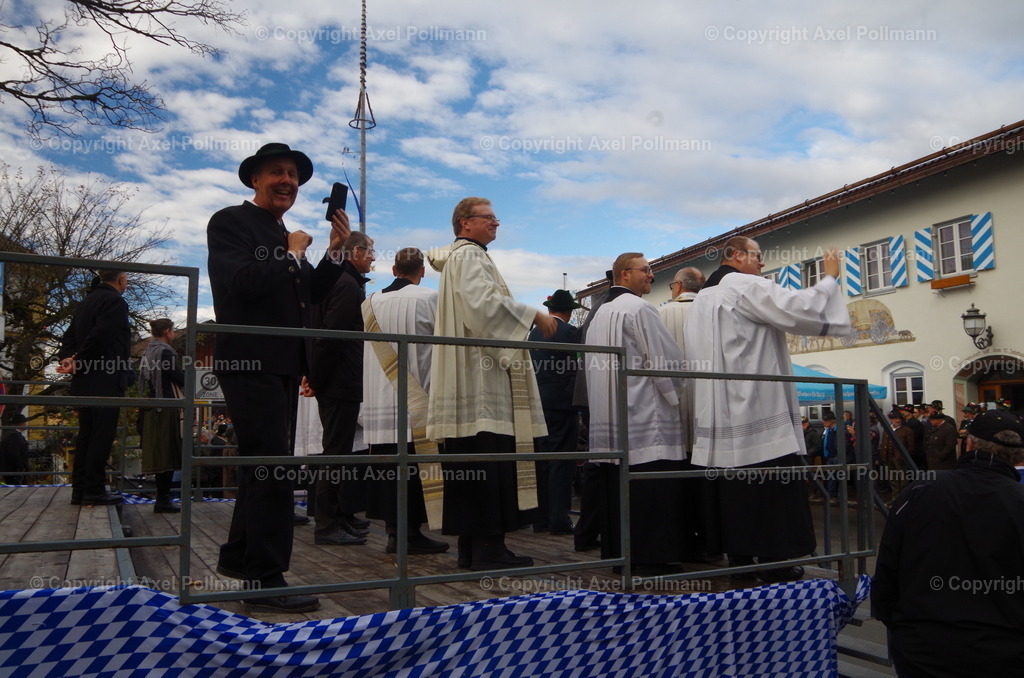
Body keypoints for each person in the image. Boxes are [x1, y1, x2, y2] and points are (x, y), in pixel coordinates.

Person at [207, 142, 350, 613]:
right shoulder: (230, 221)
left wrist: (332, 254)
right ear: (255, 179)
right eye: (277, 172)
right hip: (249, 358)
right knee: (271, 465)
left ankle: (241, 560)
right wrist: (290, 255)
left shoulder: (281, 232)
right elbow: (241, 282)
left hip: (282, 363)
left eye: (292, 174)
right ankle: (265, 577)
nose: (287, 180)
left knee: (263, 463)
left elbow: (309, 294)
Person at [685, 237, 851, 582]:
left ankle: (741, 561)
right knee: (770, 491)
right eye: (758, 257)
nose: (762, 265)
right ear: (738, 256)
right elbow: (800, 309)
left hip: (717, 414)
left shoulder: (702, 299)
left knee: (734, 494)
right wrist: (829, 277)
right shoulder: (744, 285)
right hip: (756, 411)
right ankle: (776, 563)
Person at [426, 197, 556, 571]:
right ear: (465, 223)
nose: (496, 222)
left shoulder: (462, 256)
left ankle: (474, 548)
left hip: (471, 376)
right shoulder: (469, 256)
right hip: (481, 381)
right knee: (488, 464)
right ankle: (489, 551)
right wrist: (532, 314)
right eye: (488, 217)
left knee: (475, 465)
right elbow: (482, 307)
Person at [873, 409, 1024, 677]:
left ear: (967, 443)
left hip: (923, 647)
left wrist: (898, 625)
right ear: (1018, 456)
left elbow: (887, 567)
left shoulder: (921, 490)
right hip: (1000, 652)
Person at [585, 252, 690, 575]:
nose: (651, 276)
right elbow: (664, 359)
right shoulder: (640, 309)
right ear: (624, 274)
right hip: (646, 416)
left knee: (618, 490)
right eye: (646, 270)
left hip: (609, 415)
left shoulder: (600, 313)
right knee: (650, 490)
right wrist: (679, 392)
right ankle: (649, 558)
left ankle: (621, 555)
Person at [361, 247, 448, 555]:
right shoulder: (430, 298)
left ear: (394, 269)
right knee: (416, 467)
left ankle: (393, 534)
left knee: (387, 469)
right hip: (418, 398)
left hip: (378, 400)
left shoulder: (368, 303)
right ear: (421, 271)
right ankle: (410, 534)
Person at [307, 231, 376, 547]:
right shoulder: (347, 284)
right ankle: (327, 524)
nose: (374, 258)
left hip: (338, 379)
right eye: (371, 252)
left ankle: (339, 515)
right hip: (339, 381)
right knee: (335, 452)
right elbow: (331, 336)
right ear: (357, 251)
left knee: (340, 451)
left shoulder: (346, 282)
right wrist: (317, 378)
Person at [658, 265, 721, 562]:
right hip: (712, 412)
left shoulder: (663, 314)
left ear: (679, 287)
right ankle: (715, 543)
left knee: (682, 485)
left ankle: (684, 543)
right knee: (710, 486)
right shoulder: (715, 312)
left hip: (677, 413)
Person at [57, 269, 132, 506]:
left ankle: (80, 490)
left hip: (84, 380)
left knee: (86, 435)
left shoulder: (85, 303)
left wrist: (68, 359)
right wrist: (79, 359)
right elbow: (102, 335)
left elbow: (68, 337)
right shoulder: (115, 302)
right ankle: (94, 489)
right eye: (126, 278)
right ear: (120, 279)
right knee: (101, 435)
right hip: (106, 378)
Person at [529, 289, 581, 536]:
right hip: (562, 404)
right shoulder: (570, 332)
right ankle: (559, 519)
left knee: (543, 461)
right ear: (569, 312)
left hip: (538, 403)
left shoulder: (533, 333)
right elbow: (577, 367)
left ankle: (541, 519)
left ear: (550, 310)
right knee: (562, 462)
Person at [138, 319, 184, 513]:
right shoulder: (165, 352)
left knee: (159, 454)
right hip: (165, 408)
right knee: (168, 453)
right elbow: (179, 378)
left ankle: (162, 499)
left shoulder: (148, 351)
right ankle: (163, 499)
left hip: (150, 407)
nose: (173, 334)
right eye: (173, 331)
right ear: (167, 331)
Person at [879, 410, 915, 500]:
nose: (897, 420)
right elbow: (883, 443)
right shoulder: (887, 429)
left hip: (900, 459)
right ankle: (895, 498)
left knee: (903, 480)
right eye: (895, 418)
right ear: (891, 419)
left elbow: (911, 447)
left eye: (898, 418)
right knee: (893, 479)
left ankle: (904, 499)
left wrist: (903, 457)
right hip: (888, 458)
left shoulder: (906, 430)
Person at [0, 413, 30, 484]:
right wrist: (20, 468)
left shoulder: (12, 434)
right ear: (21, 423)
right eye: (25, 422)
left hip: (12, 470)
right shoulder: (14, 436)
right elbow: (14, 454)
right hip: (14, 471)